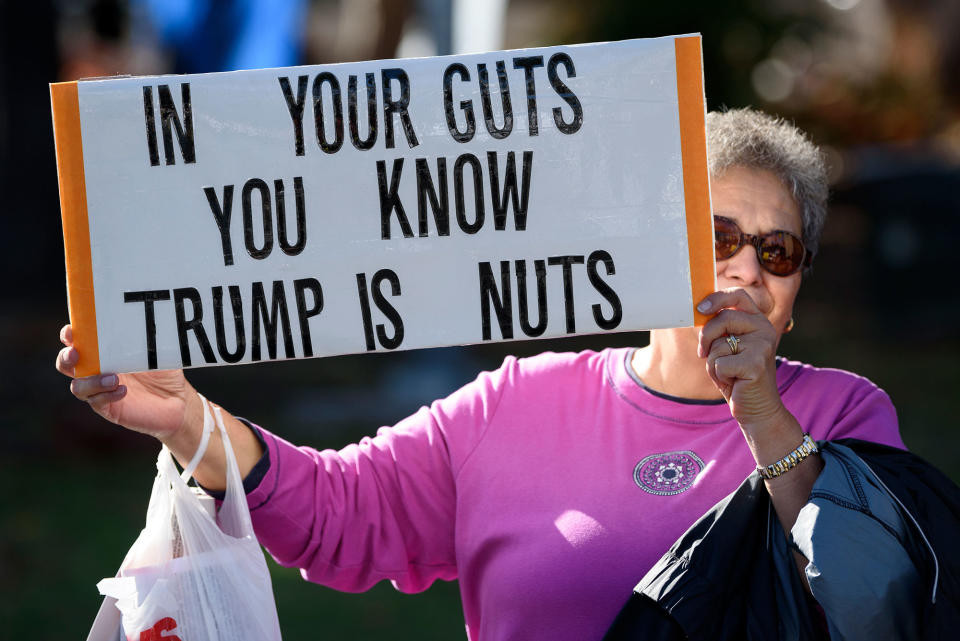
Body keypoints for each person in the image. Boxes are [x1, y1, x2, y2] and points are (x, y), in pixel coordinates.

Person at [56, 108, 909, 640]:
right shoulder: (516, 401)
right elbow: (340, 511)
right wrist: (186, 418)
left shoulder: (846, 416)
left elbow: (876, 601)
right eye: (718, 235)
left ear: (798, 288)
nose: (746, 271)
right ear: (654, 242)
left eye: (778, 251)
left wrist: (761, 413)